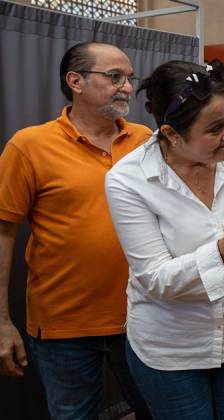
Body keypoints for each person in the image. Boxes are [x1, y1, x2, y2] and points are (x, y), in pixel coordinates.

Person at [105, 59, 224, 419]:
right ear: (172, 134)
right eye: (215, 128)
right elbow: (156, 281)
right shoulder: (129, 180)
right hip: (171, 349)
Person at [0, 41, 151, 419]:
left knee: (157, 411)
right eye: (114, 77)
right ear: (75, 81)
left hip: (142, 318)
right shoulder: (29, 146)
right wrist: (1, 323)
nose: (127, 88)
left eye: (129, 78)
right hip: (63, 325)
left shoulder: (145, 141)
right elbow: (3, 236)